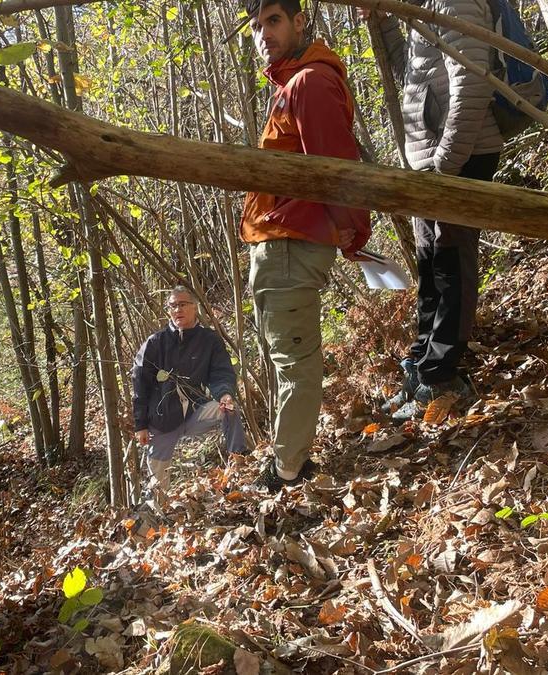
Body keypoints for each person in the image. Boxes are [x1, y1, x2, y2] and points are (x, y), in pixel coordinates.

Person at [241, 0, 371, 490]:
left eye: (273, 21)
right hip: (281, 244)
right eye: (256, 27)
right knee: (287, 361)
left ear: (300, 22)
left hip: (290, 247)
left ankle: (287, 472)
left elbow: (337, 169)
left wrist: (353, 229)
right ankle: (288, 459)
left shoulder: (309, 82)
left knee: (296, 366)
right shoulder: (293, 84)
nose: (263, 34)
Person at [364, 1, 501, 421]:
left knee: (451, 265)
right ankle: (421, 366)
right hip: (433, 163)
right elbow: (415, 73)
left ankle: (441, 378)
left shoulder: (453, 2)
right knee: (431, 266)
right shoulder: (423, 8)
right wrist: (384, 24)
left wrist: (445, 164)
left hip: (460, 158)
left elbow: (472, 84)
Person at [132, 287, 244, 495]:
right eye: (172, 306)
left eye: (182, 304)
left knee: (229, 409)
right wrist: (141, 425)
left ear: (195, 307)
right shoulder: (156, 343)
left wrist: (225, 394)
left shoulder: (208, 340)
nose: (177, 310)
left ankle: (238, 467)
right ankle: (156, 519)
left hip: (195, 412)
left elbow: (221, 372)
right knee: (157, 487)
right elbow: (140, 384)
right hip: (162, 421)